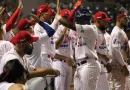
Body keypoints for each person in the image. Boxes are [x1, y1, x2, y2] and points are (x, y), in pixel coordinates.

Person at [53, 9, 76, 90]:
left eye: (68, 17)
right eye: (65, 17)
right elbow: (55, 47)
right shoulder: (57, 29)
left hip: (69, 64)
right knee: (59, 88)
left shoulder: (72, 31)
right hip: (59, 63)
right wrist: (63, 32)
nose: (67, 19)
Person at [109, 11, 129, 90]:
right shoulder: (117, 32)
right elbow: (115, 50)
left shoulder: (121, 31)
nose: (127, 19)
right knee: (120, 87)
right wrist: (123, 65)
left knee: (121, 86)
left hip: (121, 62)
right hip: (118, 63)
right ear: (118, 19)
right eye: (125, 18)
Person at [93, 11, 111, 90]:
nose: (107, 22)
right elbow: (88, 49)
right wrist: (102, 56)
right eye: (104, 21)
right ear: (98, 21)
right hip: (95, 65)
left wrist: (106, 63)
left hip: (101, 65)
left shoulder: (101, 33)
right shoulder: (92, 32)